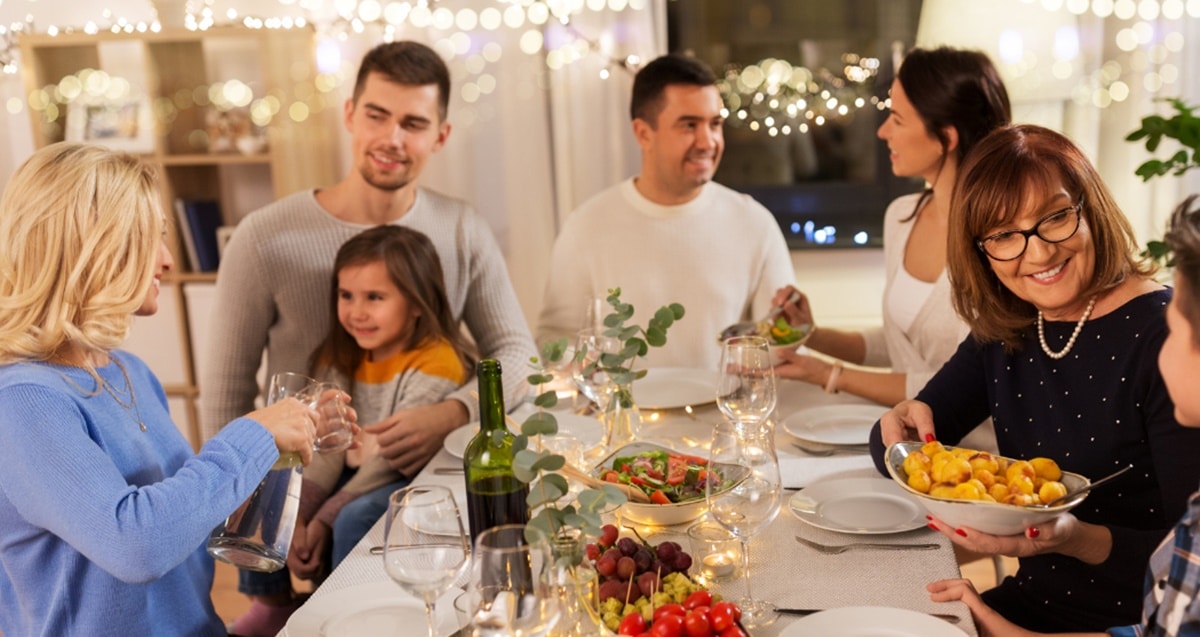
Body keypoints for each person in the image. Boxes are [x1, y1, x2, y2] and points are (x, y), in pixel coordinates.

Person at [201, 41, 535, 635]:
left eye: (413, 123)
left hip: (408, 467)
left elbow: (518, 356)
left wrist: (450, 413)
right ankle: (275, 606)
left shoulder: (462, 228)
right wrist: (235, 493)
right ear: (350, 114)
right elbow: (226, 390)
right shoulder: (264, 237)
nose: (392, 138)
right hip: (304, 463)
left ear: (441, 135)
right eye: (378, 115)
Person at [869, 126, 1200, 633]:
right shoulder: (1011, 326)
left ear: (1090, 209)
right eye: (1004, 235)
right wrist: (901, 423)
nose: (1039, 252)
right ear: (980, 250)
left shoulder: (1170, 338)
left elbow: (1188, 569)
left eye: (1056, 217)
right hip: (1027, 604)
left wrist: (1072, 537)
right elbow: (895, 445)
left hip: (1132, 623)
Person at [0, 142, 320, 636]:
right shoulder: (22, 400)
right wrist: (254, 435)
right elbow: (136, 544)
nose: (168, 260)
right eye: (150, 238)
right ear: (92, 247)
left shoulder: (127, 370)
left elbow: (181, 520)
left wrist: (282, 456)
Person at [773, 47, 1011, 407]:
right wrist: (811, 334)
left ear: (946, 137)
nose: (883, 132)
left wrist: (828, 375)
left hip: (974, 454)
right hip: (907, 442)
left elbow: (968, 385)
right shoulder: (902, 217)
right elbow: (899, 345)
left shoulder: (1002, 243)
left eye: (897, 119)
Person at [535, 53, 795, 370]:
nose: (708, 141)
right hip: (625, 418)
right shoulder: (587, 225)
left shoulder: (755, 223)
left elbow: (781, 347)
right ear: (643, 134)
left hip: (723, 416)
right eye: (689, 125)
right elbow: (554, 341)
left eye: (715, 124)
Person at [288, 225, 472, 582]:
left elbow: (391, 458)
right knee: (277, 492)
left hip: (411, 474)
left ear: (417, 303)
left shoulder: (437, 360)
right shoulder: (340, 353)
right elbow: (327, 444)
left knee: (353, 516)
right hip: (358, 465)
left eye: (374, 297)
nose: (357, 312)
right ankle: (289, 604)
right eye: (347, 295)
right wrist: (300, 516)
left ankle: (348, 606)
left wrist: (324, 519)